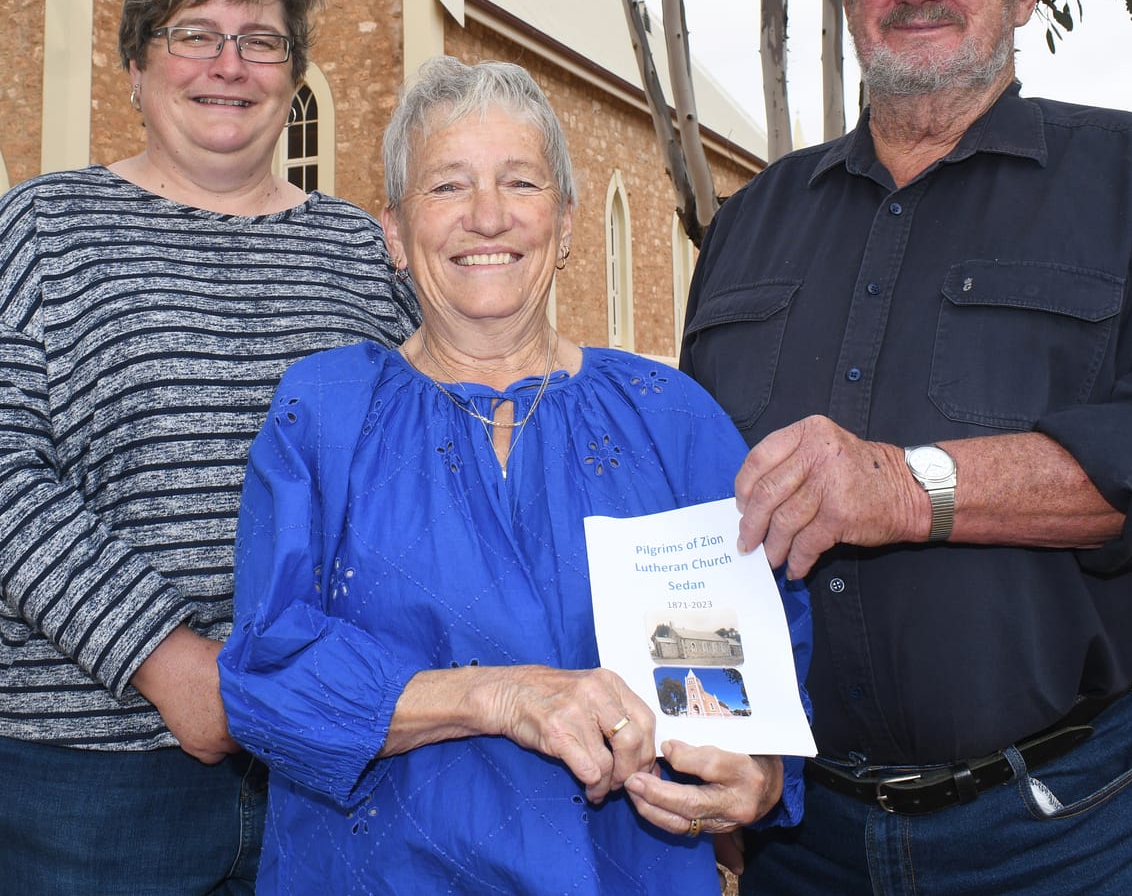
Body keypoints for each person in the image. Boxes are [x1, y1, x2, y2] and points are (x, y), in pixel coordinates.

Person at [680, 0, 1132, 894]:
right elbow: (699, 507)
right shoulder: (750, 224)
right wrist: (713, 750)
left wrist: (906, 487)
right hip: (798, 838)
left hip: (1061, 831)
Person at [218, 57, 809, 895]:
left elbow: (768, 659)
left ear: (564, 223)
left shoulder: (671, 419)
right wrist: (501, 695)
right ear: (394, 231)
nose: (487, 215)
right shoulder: (323, 415)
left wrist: (764, 773)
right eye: (447, 185)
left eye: (520, 181)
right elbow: (265, 677)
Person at [0, 0, 420, 895]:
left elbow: (438, 451)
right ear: (137, 66)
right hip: (93, 777)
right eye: (194, 34)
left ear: (293, 75)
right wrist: (163, 657)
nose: (228, 65)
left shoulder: (363, 253)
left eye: (261, 40)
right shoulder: (43, 228)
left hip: (332, 756)